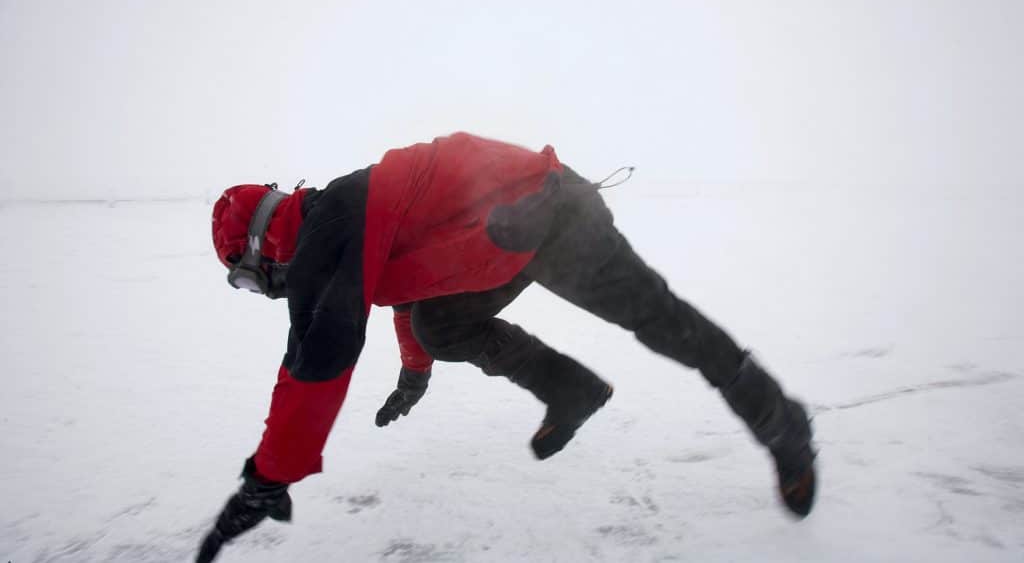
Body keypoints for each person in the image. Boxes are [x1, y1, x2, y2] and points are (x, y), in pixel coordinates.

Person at [197, 132, 816, 562]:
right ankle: (572, 390)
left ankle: (781, 424)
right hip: (497, 243)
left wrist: (265, 480)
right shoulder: (341, 227)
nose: (260, 290)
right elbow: (412, 294)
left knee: (661, 321)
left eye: (246, 278)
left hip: (549, 218)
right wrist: (414, 379)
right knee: (441, 326)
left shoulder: (327, 232)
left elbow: (316, 359)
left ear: (262, 249)